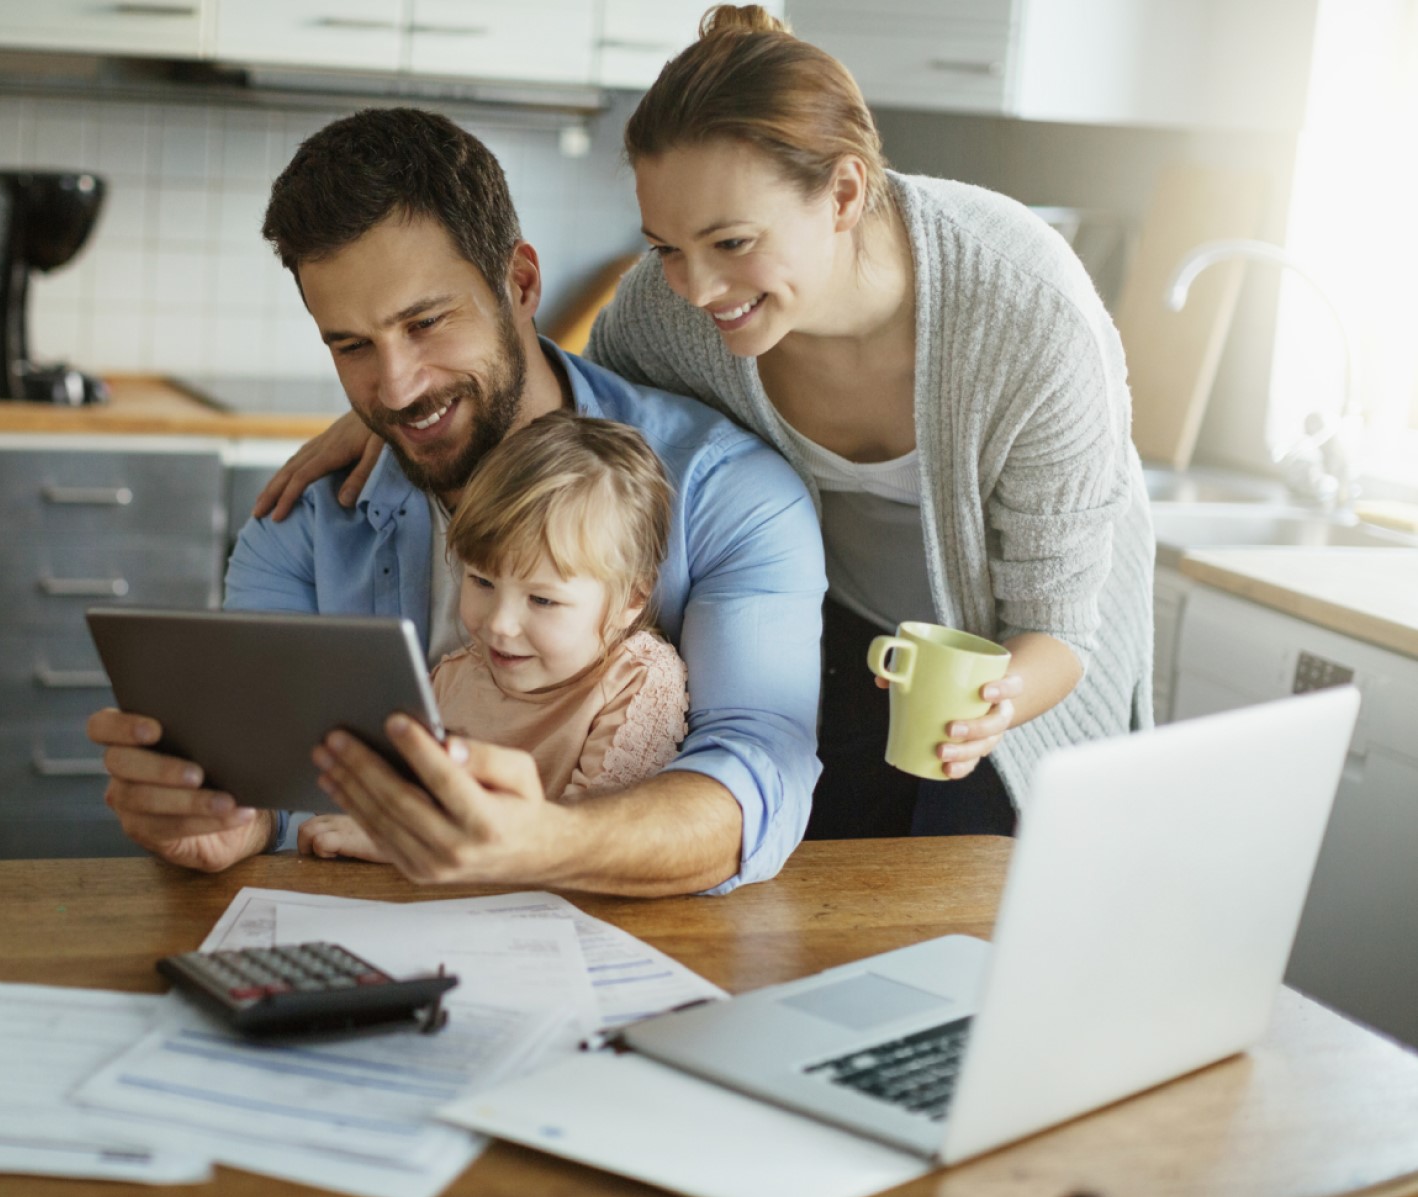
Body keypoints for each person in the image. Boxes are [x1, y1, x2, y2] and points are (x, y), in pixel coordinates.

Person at [255, 8, 1155, 840]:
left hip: (1018, 658)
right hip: (847, 631)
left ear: (843, 194)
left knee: (986, 874)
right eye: (665, 247)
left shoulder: (1027, 313)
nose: (699, 288)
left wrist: (991, 702)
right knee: (826, 887)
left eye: (731, 243)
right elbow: (576, 412)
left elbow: (1060, 628)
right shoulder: (669, 308)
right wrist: (398, 414)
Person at [87, 107, 827, 895]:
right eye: (352, 345)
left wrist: (550, 841)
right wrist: (236, 816)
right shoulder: (302, 523)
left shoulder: (729, 493)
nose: (398, 386)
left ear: (520, 283)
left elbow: (757, 775)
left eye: (426, 322)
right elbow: (276, 778)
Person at [301, 412, 689, 862]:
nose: (500, 624)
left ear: (632, 599)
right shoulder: (452, 679)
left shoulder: (638, 683)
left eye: (542, 600)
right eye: (482, 582)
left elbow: (592, 848)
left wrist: (404, 844)